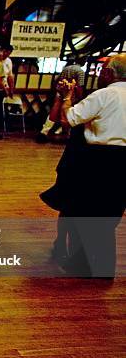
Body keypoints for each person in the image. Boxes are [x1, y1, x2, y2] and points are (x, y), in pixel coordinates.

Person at [41, 54, 126, 278]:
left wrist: (67, 98)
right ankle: (104, 269)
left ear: (109, 73)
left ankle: (82, 265)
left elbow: (69, 118)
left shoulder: (106, 94)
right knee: (109, 215)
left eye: (103, 70)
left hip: (99, 159)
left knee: (85, 213)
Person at [37, 57, 87, 143]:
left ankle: (45, 130)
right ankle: (66, 133)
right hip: (71, 93)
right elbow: (79, 86)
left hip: (60, 90)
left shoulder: (66, 68)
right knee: (67, 112)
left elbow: (57, 80)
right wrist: (79, 97)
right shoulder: (80, 71)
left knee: (55, 109)